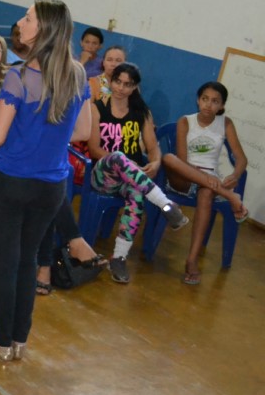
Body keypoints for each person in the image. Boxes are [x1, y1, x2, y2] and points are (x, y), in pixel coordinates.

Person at [0, 0, 91, 362]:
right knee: (29, 261)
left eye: (28, 18)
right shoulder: (78, 74)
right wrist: (47, 138)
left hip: (12, 181)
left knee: (7, 262)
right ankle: (19, 341)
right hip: (52, 186)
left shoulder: (19, 75)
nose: (21, 23)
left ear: (43, 30)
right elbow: (83, 130)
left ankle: (1, 342)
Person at [86, 62, 189, 283]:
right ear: (111, 81)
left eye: (127, 84)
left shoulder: (142, 112)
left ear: (134, 87)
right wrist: (124, 163)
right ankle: (166, 205)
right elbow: (94, 149)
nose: (121, 88)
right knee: (118, 156)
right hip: (104, 175)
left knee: (137, 195)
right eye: (118, 82)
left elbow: (153, 147)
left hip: (131, 180)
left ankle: (119, 258)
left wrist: (155, 162)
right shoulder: (97, 108)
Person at [162, 81, 248, 285]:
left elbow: (241, 158)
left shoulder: (226, 123)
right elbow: (182, 161)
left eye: (215, 101)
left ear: (222, 106)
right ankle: (230, 196)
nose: (209, 105)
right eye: (205, 99)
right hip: (185, 177)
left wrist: (236, 175)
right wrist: (205, 178)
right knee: (169, 158)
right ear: (198, 100)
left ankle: (191, 261)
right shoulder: (185, 121)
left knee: (207, 193)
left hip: (210, 184)